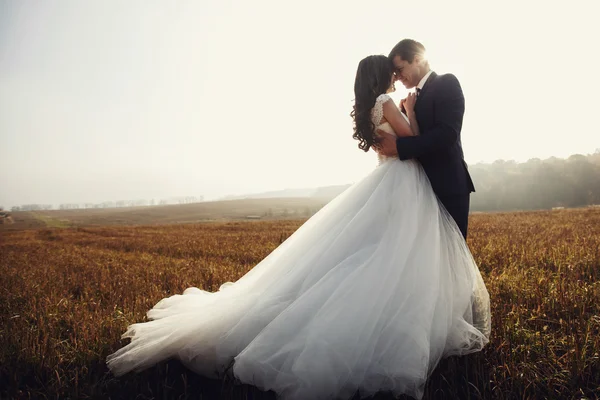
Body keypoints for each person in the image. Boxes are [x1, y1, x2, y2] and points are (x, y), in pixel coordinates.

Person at [106, 54, 490, 400]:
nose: (397, 77)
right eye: (392, 73)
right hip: (403, 185)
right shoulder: (389, 102)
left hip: (392, 183)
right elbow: (413, 140)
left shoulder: (370, 107)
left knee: (377, 255)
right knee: (395, 256)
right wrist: (410, 109)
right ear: (383, 76)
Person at [375, 39, 475, 238]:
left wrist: (400, 147)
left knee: (451, 255)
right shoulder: (407, 102)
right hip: (416, 190)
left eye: (400, 69)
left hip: (447, 185)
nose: (396, 77)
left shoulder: (446, 83)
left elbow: (447, 133)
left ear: (418, 59)